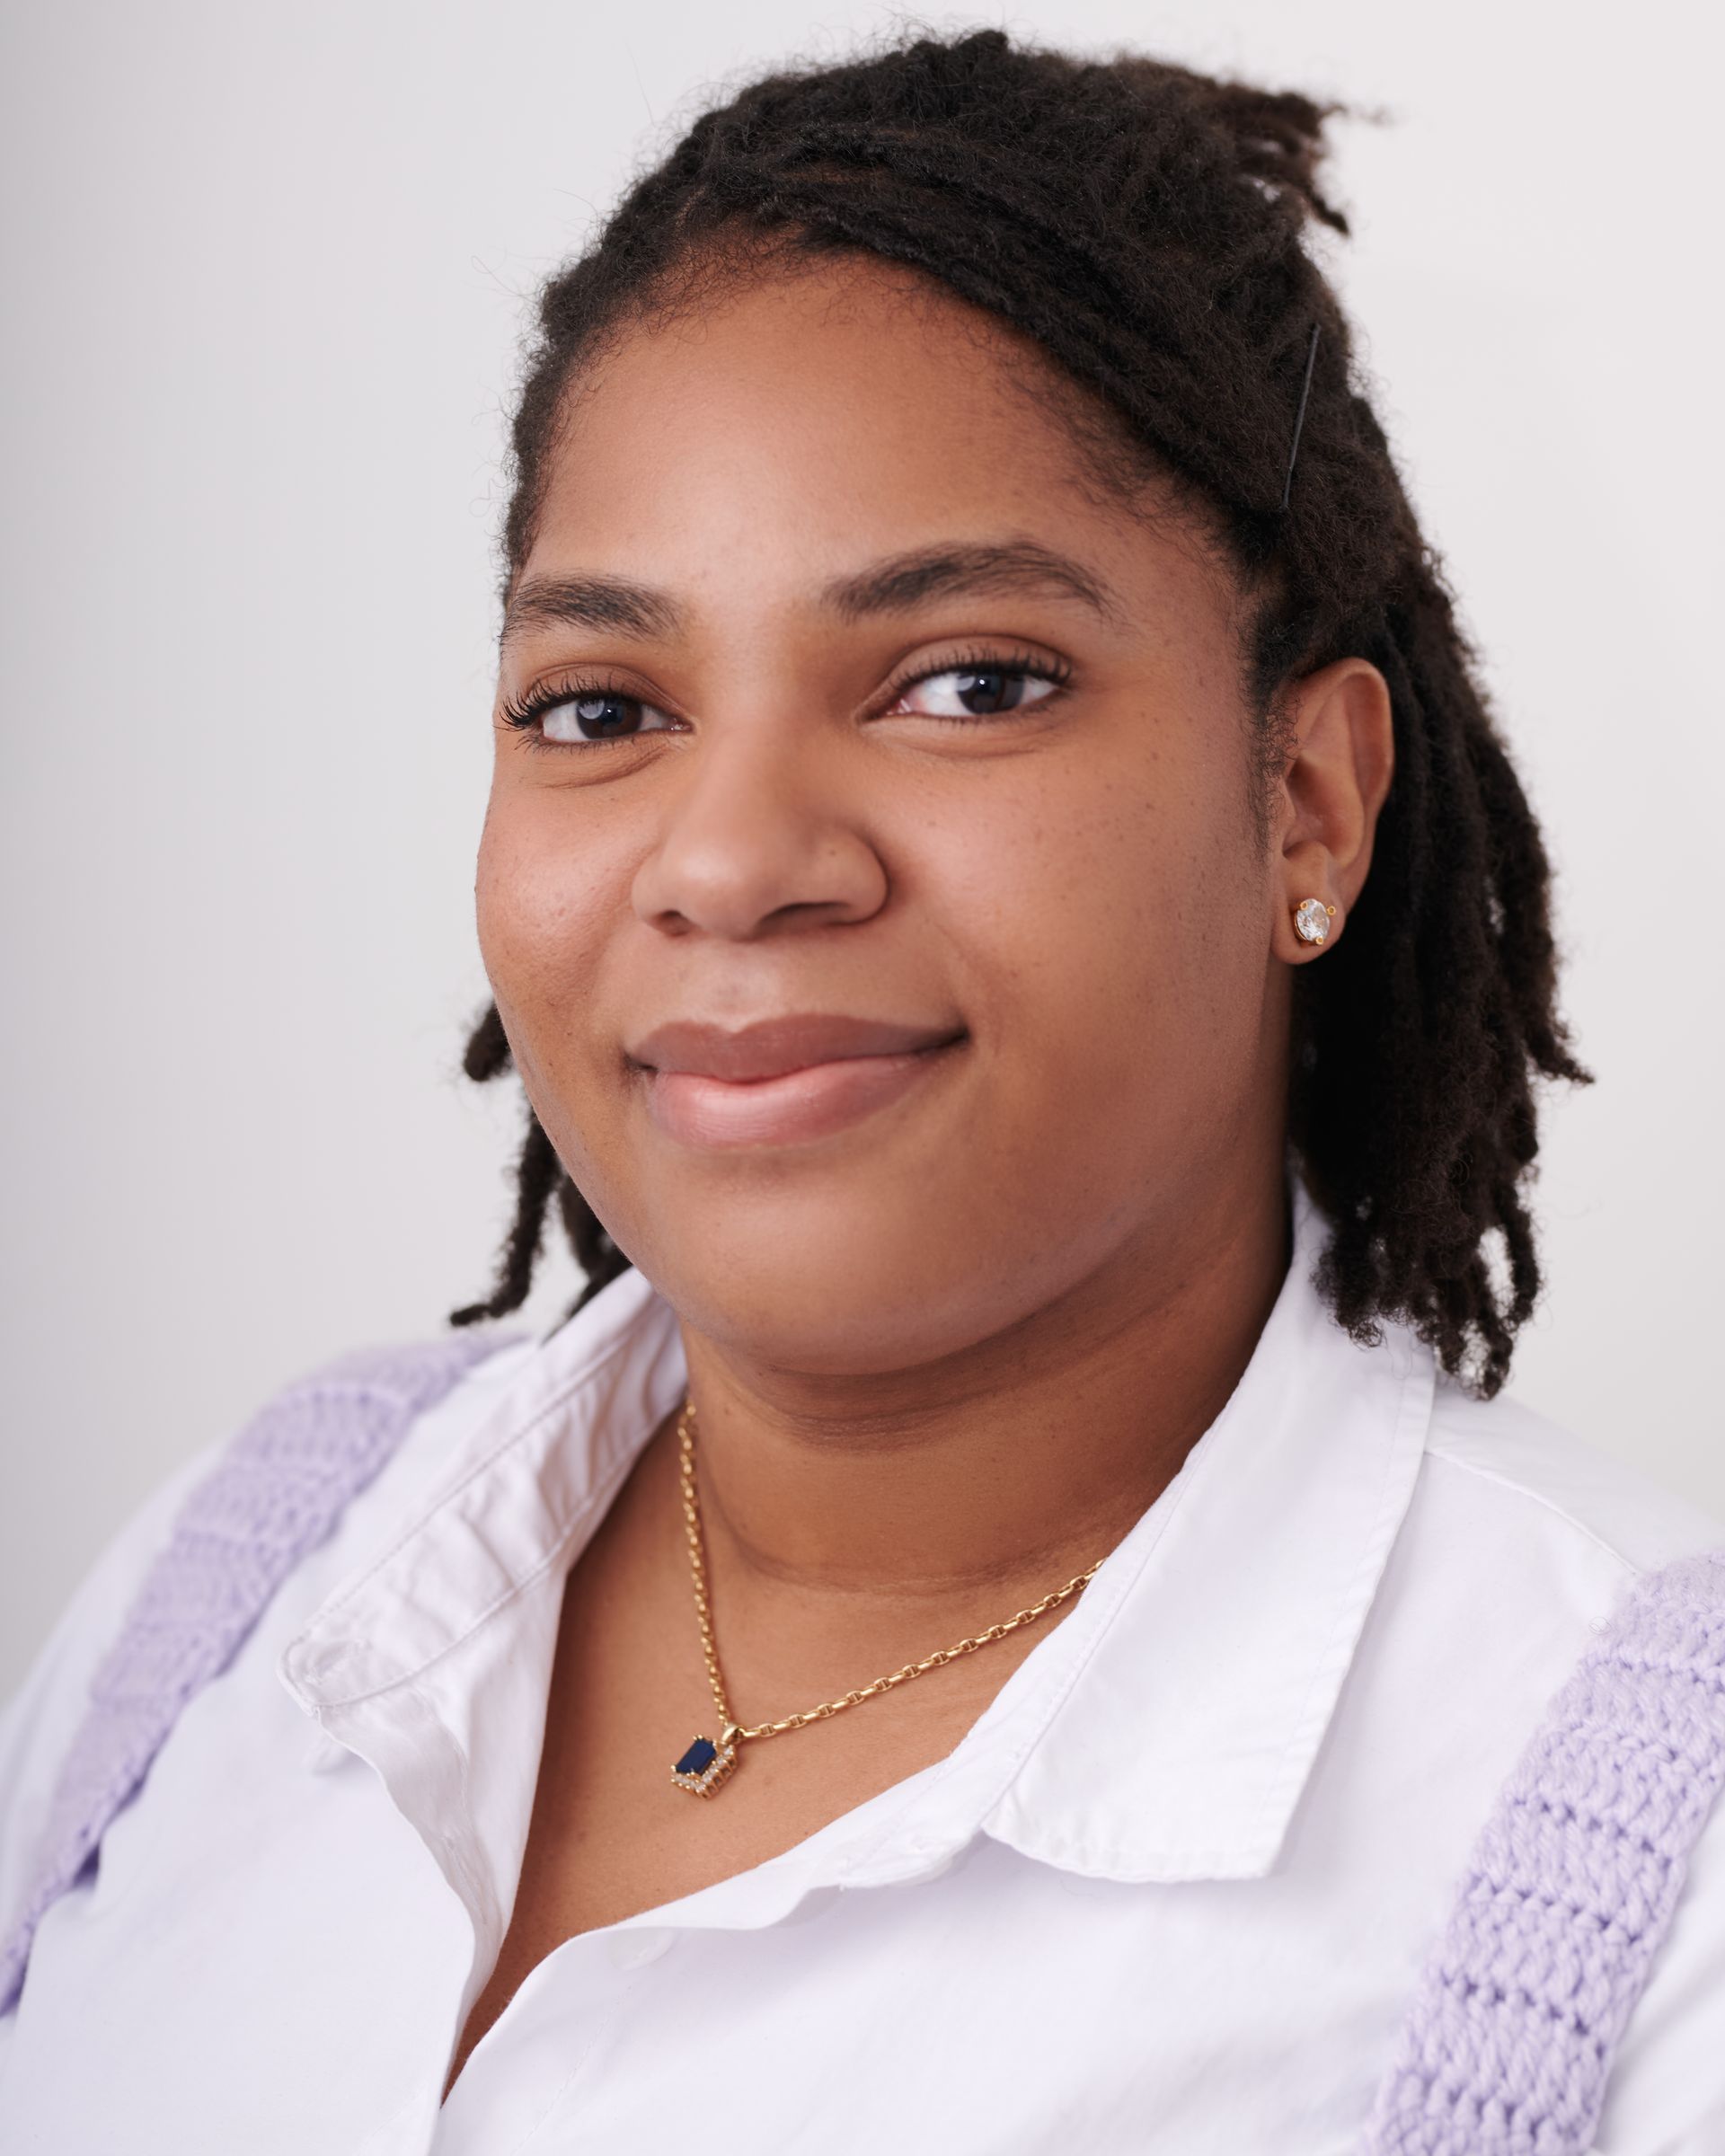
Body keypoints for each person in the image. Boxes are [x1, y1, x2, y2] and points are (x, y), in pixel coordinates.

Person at [2, 26, 1721, 2155]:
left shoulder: (1654, 1883)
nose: (731, 860)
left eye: (968, 683)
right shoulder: (235, 1588)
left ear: (1307, 802)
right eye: (602, 707)